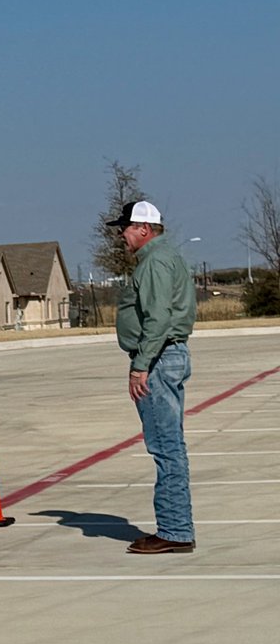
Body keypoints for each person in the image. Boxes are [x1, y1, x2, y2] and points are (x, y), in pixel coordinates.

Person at [106, 201, 197, 554]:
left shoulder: (155, 262)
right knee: (170, 446)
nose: (121, 235)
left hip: (158, 359)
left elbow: (157, 319)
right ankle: (177, 527)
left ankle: (174, 531)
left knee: (165, 448)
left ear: (144, 229)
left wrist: (140, 365)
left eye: (125, 228)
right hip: (165, 356)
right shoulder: (162, 258)